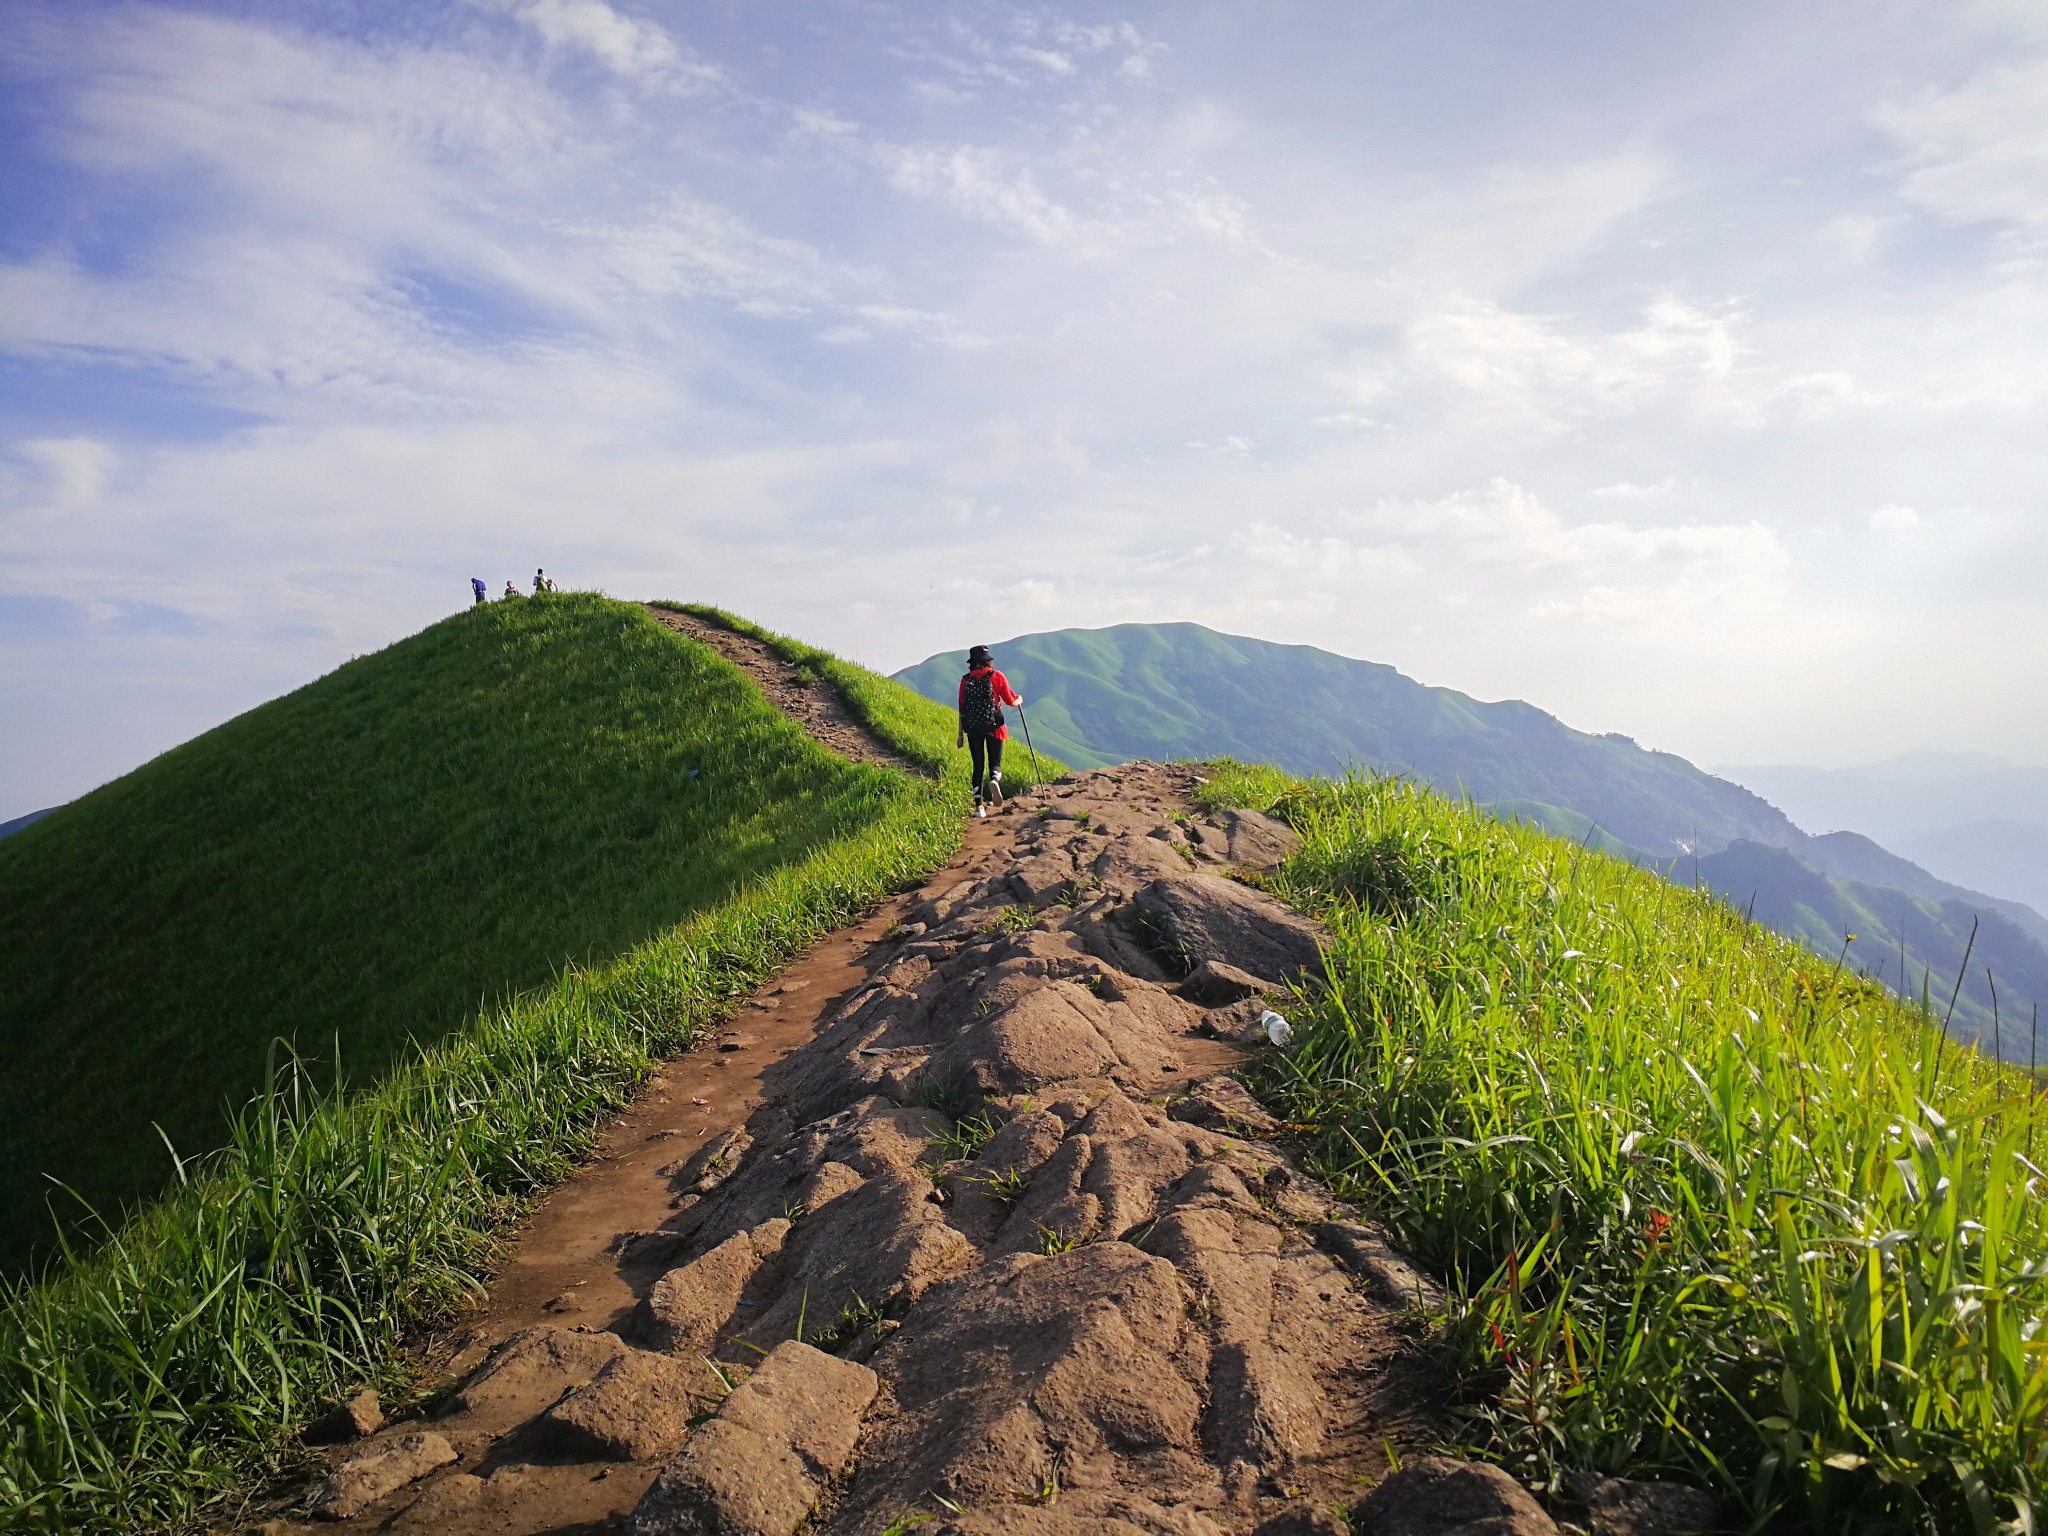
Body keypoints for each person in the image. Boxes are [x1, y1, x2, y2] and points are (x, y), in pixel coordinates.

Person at [956, 643, 1022, 818]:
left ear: (972, 662)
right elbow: (1009, 700)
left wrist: (960, 735)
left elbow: (962, 708)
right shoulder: (997, 676)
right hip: (994, 726)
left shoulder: (965, 680)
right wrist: (1019, 700)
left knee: (978, 766)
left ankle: (979, 808)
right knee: (995, 762)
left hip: (973, 729)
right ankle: (994, 779)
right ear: (988, 661)